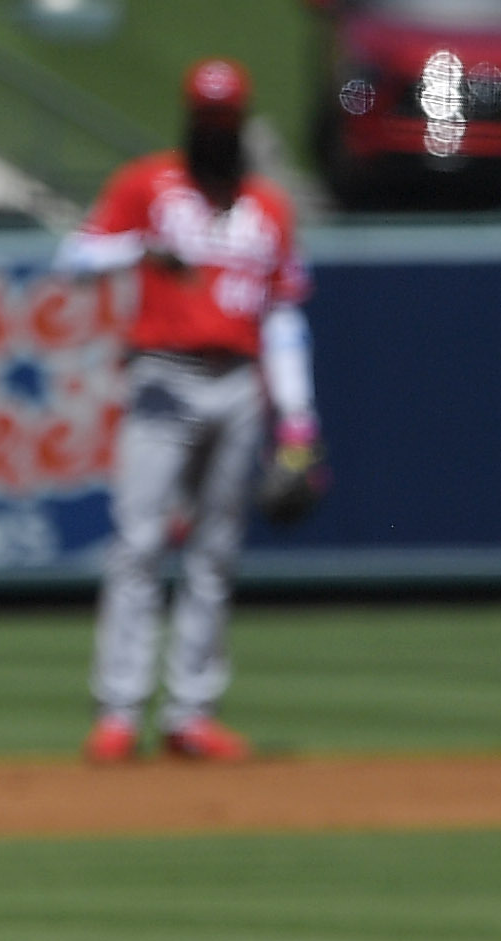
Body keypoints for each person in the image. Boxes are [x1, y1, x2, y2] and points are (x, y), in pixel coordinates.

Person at [62, 59, 317, 764]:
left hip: (238, 384)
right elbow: (74, 255)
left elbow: (283, 319)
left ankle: (190, 714)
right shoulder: (149, 184)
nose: (215, 129)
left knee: (214, 553)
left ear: (240, 122)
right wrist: (141, 248)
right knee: (138, 545)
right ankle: (118, 713)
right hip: (161, 375)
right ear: (189, 119)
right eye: (206, 117)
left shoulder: (267, 207)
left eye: (225, 118)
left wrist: (299, 420)